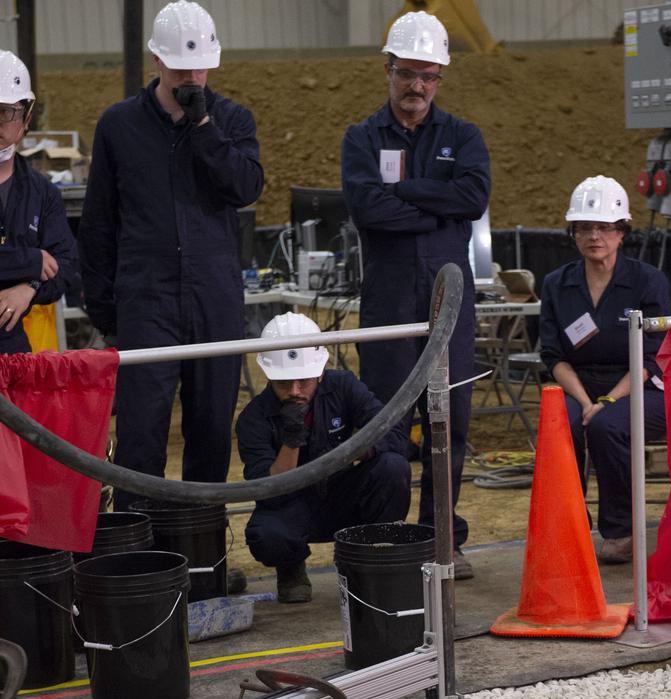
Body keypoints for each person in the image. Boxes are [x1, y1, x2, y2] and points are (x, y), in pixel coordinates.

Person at [78, 1, 263, 507]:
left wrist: (204, 129)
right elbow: (98, 222)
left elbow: (246, 187)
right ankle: (143, 563)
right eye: (182, 68)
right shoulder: (119, 125)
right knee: (141, 436)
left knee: (209, 432)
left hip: (214, 301)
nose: (193, 77)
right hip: (147, 300)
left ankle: (204, 561)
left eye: (202, 67)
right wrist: (105, 307)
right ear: (156, 61)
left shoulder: (231, 120)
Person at [341, 11, 490, 580]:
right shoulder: (362, 138)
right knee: (387, 425)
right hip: (390, 305)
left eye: (428, 76)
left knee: (447, 426)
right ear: (388, 70)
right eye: (407, 74)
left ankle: (440, 538)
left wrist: (400, 192)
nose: (417, 86)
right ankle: (391, 539)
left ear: (439, 78)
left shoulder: (463, 137)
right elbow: (365, 207)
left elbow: (472, 198)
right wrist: (435, 201)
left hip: (449, 311)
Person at [538, 175, 670, 565]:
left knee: (606, 424)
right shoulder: (556, 284)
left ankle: (620, 529)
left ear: (621, 232)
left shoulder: (647, 282)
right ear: (573, 233)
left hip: (640, 386)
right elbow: (552, 355)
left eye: (604, 228)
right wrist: (583, 400)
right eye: (584, 228)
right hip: (579, 383)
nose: (594, 236)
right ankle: (570, 526)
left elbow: (650, 357)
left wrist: (610, 399)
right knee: (562, 419)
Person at [236, 313, 411, 603]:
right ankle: (290, 568)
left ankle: (369, 557)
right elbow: (269, 493)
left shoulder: (343, 386)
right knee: (266, 534)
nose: (294, 391)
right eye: (283, 383)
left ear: (319, 371)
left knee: (392, 468)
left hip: (344, 493)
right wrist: (291, 441)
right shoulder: (253, 419)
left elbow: (392, 430)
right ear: (267, 375)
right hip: (293, 505)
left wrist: (355, 451)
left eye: (302, 381)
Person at [0, 50, 77, 354]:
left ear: (27, 118)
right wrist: (31, 262)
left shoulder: (41, 192)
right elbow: (44, 262)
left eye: (5, 112)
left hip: (20, 351)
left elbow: (68, 267)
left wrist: (28, 288)